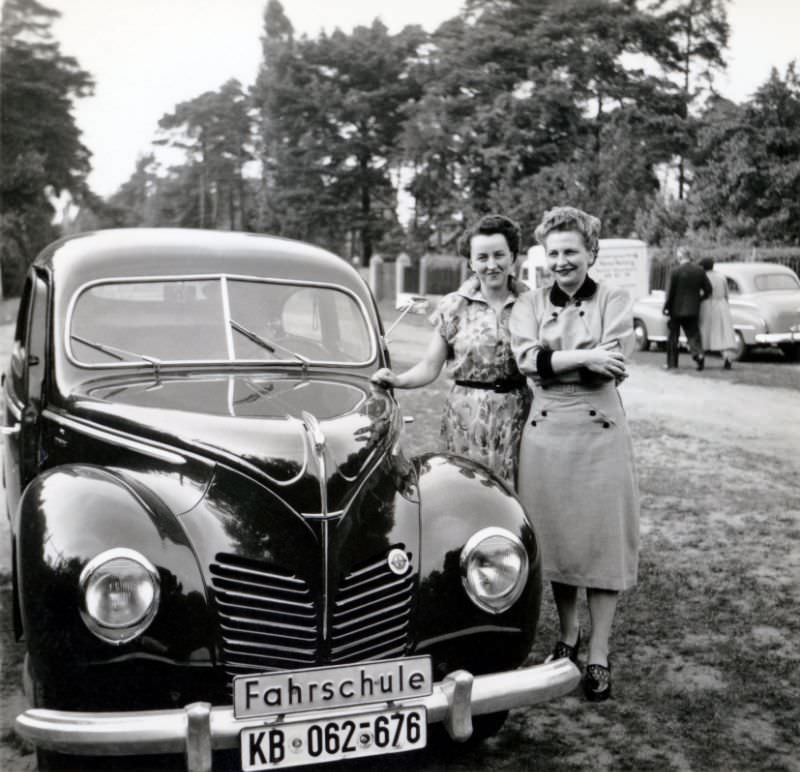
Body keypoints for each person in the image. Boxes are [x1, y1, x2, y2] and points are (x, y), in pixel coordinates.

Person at [509, 206, 639, 702]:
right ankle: (567, 637)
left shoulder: (615, 298)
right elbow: (528, 362)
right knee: (557, 540)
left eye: (571, 252)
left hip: (600, 430)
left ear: (591, 253)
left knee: (602, 540)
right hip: (545, 434)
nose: (561, 261)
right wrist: (584, 355)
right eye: (554, 252)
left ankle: (599, 653)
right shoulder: (530, 304)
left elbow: (612, 368)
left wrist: (559, 361)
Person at [371, 214, 529, 485]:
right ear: (470, 262)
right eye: (482, 257)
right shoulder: (453, 307)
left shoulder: (532, 304)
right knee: (465, 491)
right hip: (465, 417)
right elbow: (430, 366)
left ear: (513, 256)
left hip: (519, 417)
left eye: (499, 255)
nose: (491, 265)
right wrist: (398, 380)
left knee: (516, 498)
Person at [662, 246, 712, 370]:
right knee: (694, 334)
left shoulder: (675, 271)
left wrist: (666, 307)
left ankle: (672, 363)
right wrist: (699, 299)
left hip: (676, 309)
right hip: (693, 309)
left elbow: (670, 292)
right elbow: (709, 289)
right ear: (689, 256)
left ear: (680, 257)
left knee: (673, 336)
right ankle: (698, 355)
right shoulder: (699, 270)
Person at [698, 256, 738, 369]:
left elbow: (701, 292)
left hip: (706, 305)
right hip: (721, 305)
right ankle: (728, 358)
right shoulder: (721, 276)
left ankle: (701, 358)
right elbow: (726, 294)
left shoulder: (703, 277)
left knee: (704, 331)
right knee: (723, 333)